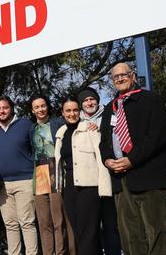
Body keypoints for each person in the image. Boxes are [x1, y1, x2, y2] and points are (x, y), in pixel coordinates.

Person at [99, 62, 166, 255]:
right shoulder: (109, 109)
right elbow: (103, 141)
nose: (120, 79)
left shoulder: (151, 99)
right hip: (120, 181)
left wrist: (132, 160)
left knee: (156, 231)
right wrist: (107, 160)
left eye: (124, 75)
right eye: (116, 77)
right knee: (129, 233)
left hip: (147, 175)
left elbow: (157, 136)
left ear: (133, 76)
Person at [55, 96, 112, 255]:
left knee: (89, 233)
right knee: (78, 232)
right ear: (62, 112)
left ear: (79, 111)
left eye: (75, 110)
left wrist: (104, 189)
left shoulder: (90, 129)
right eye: (68, 110)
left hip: (90, 187)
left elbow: (101, 161)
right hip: (70, 188)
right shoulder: (61, 134)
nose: (72, 113)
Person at [0, 96, 38, 255]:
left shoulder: (26, 125)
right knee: (10, 224)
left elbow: (36, 149)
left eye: (5, 108)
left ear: (11, 108)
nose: (2, 111)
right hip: (2, 184)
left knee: (27, 223)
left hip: (25, 181)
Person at [77, 88, 122, 255]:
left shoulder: (109, 116)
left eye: (92, 99)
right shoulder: (76, 121)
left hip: (108, 180)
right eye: (85, 101)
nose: (89, 103)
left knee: (111, 225)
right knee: (91, 228)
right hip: (87, 183)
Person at [28, 95, 70, 255]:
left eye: (43, 106)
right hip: (39, 173)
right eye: (37, 107)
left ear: (47, 106)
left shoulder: (58, 123)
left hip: (56, 170)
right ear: (32, 110)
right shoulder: (32, 129)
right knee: (44, 221)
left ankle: (61, 252)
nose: (40, 109)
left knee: (58, 219)